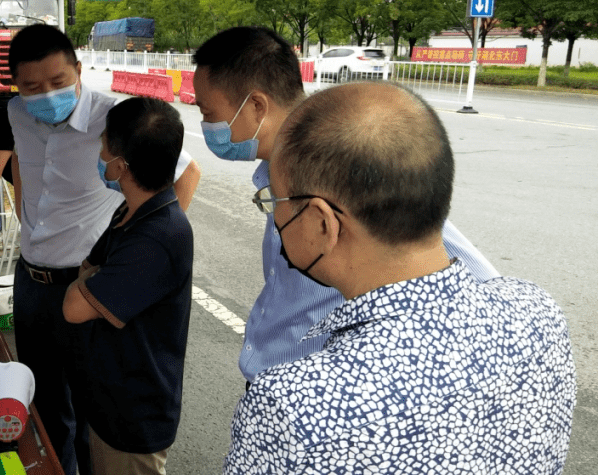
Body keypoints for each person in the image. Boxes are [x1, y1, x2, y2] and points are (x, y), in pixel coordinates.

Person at [224, 82, 576, 472]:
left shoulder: (293, 405)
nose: (273, 217)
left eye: (274, 202)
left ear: (321, 221)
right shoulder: (539, 313)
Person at [191, 26, 500, 388]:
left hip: (320, 395)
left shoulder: (343, 167)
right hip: (274, 380)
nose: (206, 125)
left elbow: (477, 280)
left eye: (209, 113)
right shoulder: (276, 173)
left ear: (257, 105)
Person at [6, 24, 201, 475]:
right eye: (32, 87)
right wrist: (29, 221)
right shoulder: (16, 113)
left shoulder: (116, 122)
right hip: (31, 280)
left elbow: (184, 176)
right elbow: (18, 161)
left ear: (77, 70)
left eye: (57, 82)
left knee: (91, 408)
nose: (46, 94)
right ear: (16, 85)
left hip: (88, 288)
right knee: (45, 404)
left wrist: (144, 256)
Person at [62, 97, 194, 475]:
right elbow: (89, 269)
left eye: (104, 145)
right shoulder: (131, 211)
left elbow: (74, 304)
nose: (100, 154)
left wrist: (91, 281)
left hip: (134, 418)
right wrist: (94, 279)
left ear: (120, 165)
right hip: (110, 400)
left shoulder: (157, 238)